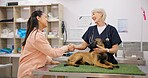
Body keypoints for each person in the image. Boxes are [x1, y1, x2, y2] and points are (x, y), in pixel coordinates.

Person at [17, 10, 74, 78]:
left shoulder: (35, 33)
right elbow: (53, 53)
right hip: (28, 72)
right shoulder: (37, 35)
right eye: (45, 17)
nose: (47, 19)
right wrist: (67, 47)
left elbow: (40, 53)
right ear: (38, 18)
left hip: (31, 71)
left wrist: (50, 61)